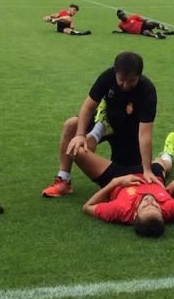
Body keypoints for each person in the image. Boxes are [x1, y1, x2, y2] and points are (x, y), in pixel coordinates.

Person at [42, 51, 158, 196]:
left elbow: (145, 134)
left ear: (139, 76)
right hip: (106, 123)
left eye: (131, 81)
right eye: (122, 80)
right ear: (115, 72)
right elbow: (88, 107)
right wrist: (80, 135)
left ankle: (166, 156)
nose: (125, 85)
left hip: (129, 133)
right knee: (71, 124)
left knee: (129, 179)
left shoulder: (147, 90)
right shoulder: (107, 77)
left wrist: (147, 169)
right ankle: (63, 180)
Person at [79, 135, 174, 237]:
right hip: (151, 175)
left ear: (135, 215)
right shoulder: (170, 209)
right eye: (156, 206)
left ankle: (100, 130)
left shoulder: (120, 210)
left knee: (77, 151)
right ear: (163, 215)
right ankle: (168, 154)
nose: (150, 200)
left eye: (145, 206)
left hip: (119, 177)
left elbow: (87, 207)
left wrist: (116, 182)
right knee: (162, 164)